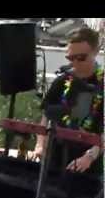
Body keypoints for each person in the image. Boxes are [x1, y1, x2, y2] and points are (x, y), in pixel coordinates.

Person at [31, 26, 103, 176]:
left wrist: (89, 157)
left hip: (88, 167)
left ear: (95, 52)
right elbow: (46, 116)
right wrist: (39, 145)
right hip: (54, 160)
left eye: (81, 57)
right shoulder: (62, 80)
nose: (75, 62)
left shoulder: (102, 84)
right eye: (71, 58)